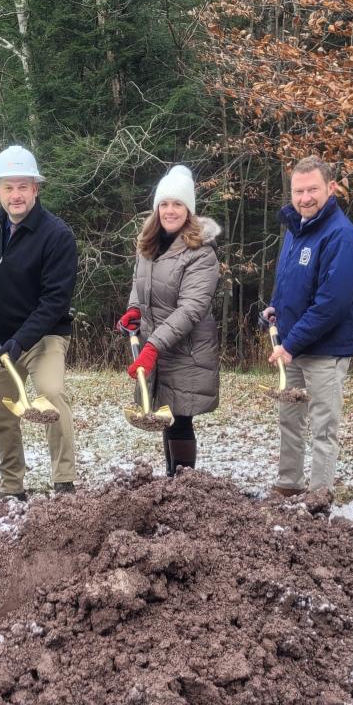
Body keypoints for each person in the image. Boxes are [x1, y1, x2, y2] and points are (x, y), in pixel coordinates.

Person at [0, 146, 78, 500]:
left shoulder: (57, 236)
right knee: (4, 412)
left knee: (51, 395)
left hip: (44, 338)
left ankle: (64, 480)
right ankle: (12, 486)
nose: (15, 195)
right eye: (8, 187)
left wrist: (21, 342)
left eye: (23, 186)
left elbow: (55, 302)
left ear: (36, 189)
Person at [264, 155, 353, 498]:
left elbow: (331, 305)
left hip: (325, 351)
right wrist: (273, 311)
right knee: (290, 419)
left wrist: (291, 345)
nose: (305, 198)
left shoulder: (342, 237)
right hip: (292, 349)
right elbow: (291, 286)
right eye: (298, 191)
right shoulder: (297, 230)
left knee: (323, 426)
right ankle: (289, 485)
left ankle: (319, 496)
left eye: (312, 190)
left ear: (331, 188)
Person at [117, 165, 221, 475]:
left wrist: (151, 347)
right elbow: (140, 285)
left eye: (177, 204)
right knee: (167, 415)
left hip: (187, 349)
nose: (169, 210)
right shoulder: (148, 244)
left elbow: (191, 309)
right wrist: (134, 310)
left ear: (188, 209)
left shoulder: (201, 252)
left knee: (180, 418)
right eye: (164, 203)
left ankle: (184, 488)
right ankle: (171, 480)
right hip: (158, 347)